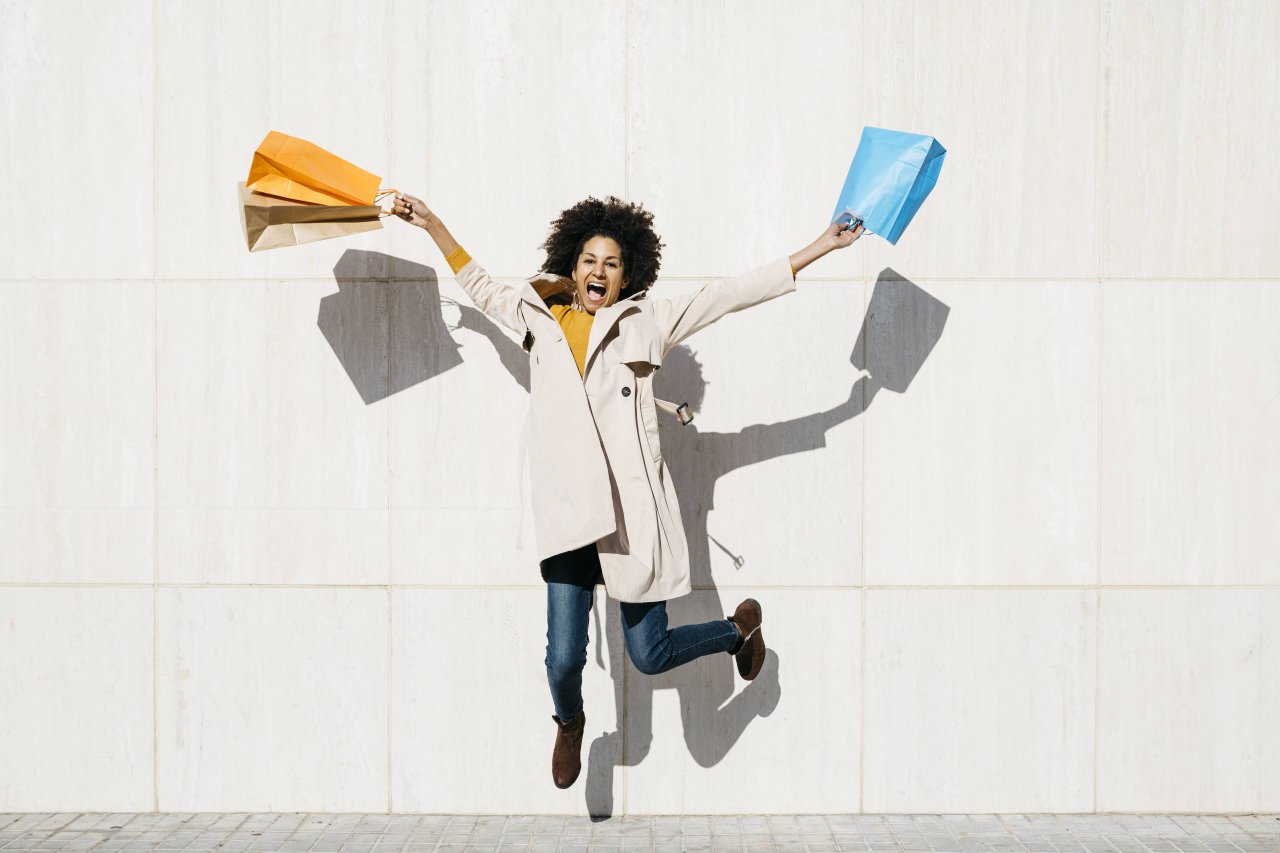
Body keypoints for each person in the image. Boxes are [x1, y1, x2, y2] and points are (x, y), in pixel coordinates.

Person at [391, 192, 863, 788]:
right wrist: (431, 222)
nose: (598, 271)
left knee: (648, 654)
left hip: (628, 520)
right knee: (562, 660)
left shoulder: (648, 323)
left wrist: (821, 246)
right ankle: (569, 722)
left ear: (626, 275)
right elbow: (479, 284)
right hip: (568, 514)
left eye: (611, 263)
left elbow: (729, 294)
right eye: (589, 259)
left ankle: (737, 630)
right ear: (572, 267)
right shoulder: (540, 317)